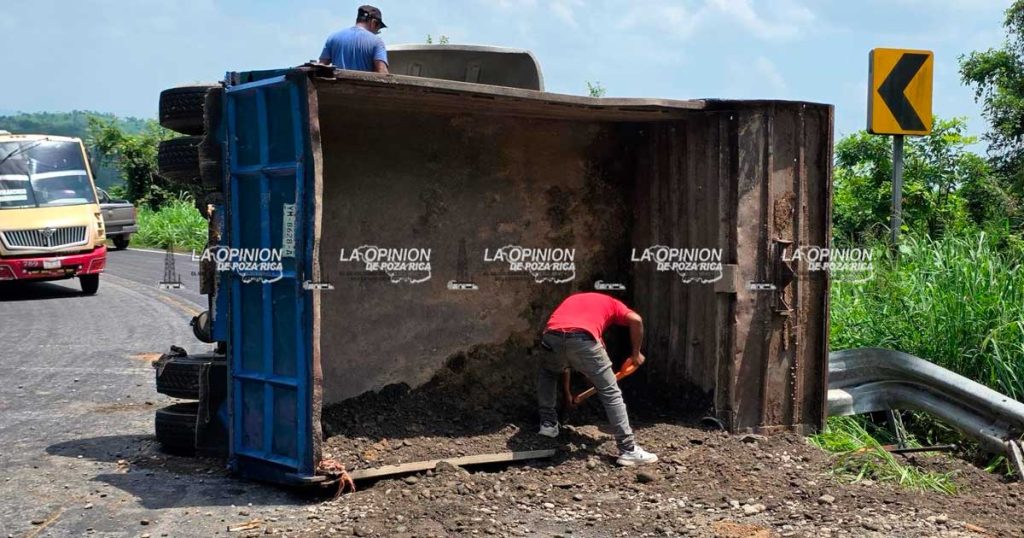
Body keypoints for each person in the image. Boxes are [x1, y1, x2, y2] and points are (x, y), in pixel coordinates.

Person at [537, 292, 658, 466]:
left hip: (551, 337)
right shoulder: (614, 305)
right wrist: (636, 354)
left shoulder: (573, 301)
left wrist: (568, 393)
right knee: (611, 392)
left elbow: (566, 363)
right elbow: (636, 320)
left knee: (548, 373)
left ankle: (548, 425)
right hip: (583, 338)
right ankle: (628, 449)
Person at [319, 5, 389, 74]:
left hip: (337, 85)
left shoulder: (333, 38)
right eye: (378, 29)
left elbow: (321, 67)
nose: (376, 32)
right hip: (362, 85)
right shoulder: (377, 42)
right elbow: (382, 72)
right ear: (373, 23)